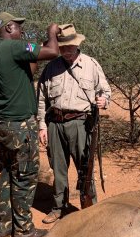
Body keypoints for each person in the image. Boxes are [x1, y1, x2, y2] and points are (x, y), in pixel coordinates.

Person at [0, 11, 60, 237]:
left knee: (8, 172)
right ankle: (24, 230)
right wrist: (51, 33)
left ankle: (5, 227)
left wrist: (34, 53)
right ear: (9, 28)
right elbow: (53, 52)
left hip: (2, 124)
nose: (21, 31)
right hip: (20, 125)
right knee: (26, 176)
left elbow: (28, 71)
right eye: (18, 27)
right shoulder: (14, 46)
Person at [37, 23, 111, 224]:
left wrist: (104, 101)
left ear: (77, 45)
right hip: (55, 124)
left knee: (85, 168)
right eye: (62, 47)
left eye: (70, 47)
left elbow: (105, 91)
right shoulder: (51, 67)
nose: (66, 51)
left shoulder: (91, 65)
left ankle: (90, 209)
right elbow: (42, 99)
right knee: (58, 169)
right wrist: (42, 126)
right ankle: (58, 207)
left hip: (81, 124)